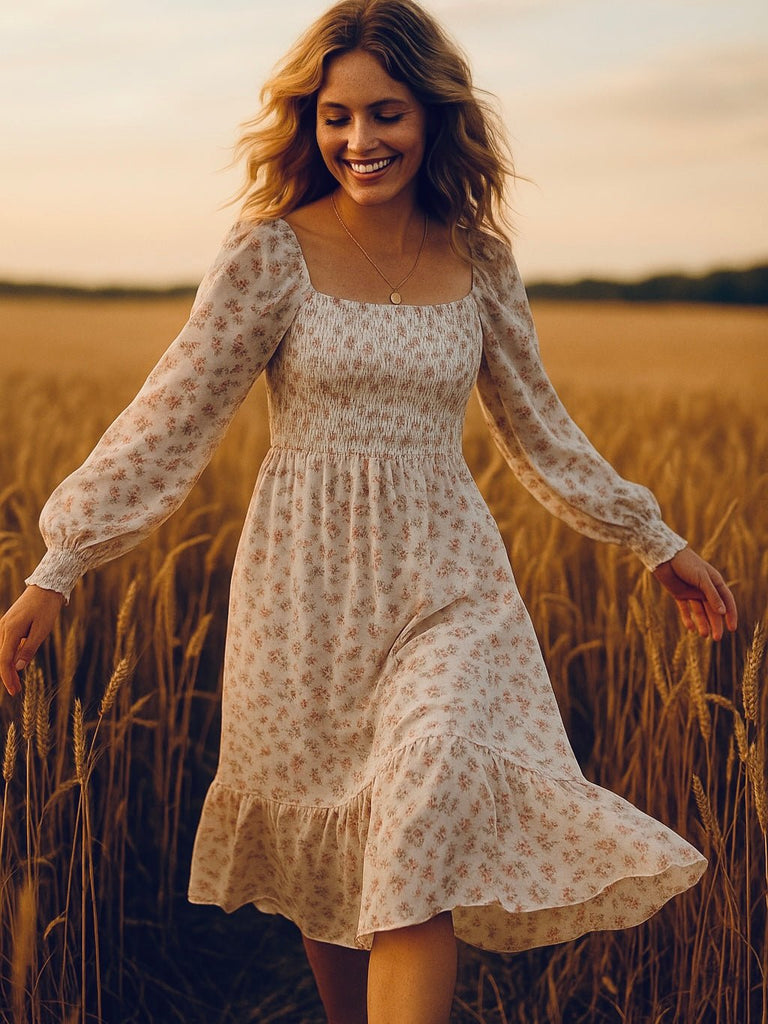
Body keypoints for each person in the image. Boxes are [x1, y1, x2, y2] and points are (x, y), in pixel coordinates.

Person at [0, 1, 738, 1022]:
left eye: (386, 112)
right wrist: (61, 561)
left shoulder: (478, 260)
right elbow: (171, 413)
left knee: (420, 811)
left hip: (449, 587)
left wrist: (653, 538)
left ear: (434, 116)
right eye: (336, 117)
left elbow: (538, 427)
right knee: (331, 849)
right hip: (307, 595)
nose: (360, 140)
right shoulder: (269, 252)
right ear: (308, 123)